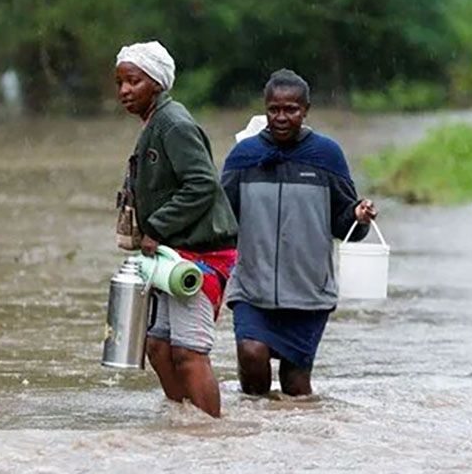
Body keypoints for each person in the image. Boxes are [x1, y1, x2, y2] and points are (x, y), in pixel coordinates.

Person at [221, 68, 378, 397]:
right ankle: (250, 441)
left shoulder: (326, 156)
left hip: (308, 292)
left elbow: (343, 224)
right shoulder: (244, 156)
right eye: (273, 109)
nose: (281, 117)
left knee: (296, 385)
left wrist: (358, 216)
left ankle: (295, 447)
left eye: (290, 109)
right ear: (264, 109)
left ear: (306, 110)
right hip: (252, 286)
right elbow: (222, 219)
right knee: (251, 357)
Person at [114, 41, 238, 417]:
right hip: (171, 252)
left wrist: (156, 227)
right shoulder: (155, 124)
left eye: (133, 81)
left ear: (157, 83)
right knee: (157, 347)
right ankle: (183, 423)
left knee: (188, 351)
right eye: (119, 82)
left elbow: (202, 184)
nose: (124, 91)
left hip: (200, 253)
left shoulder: (174, 124)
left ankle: (211, 434)